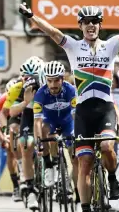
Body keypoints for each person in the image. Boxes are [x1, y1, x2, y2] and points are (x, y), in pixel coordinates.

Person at [18, 0, 119, 211]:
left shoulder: (111, 45)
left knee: (106, 146)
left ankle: (112, 177)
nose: (91, 26)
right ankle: (85, 207)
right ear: (81, 26)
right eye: (86, 22)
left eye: (95, 21)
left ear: (99, 25)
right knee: (84, 162)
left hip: (105, 109)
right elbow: (53, 32)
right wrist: (32, 16)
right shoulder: (73, 47)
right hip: (84, 112)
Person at [33, 61, 80, 208]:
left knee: (75, 157)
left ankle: (77, 191)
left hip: (67, 122)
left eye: (56, 80)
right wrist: (39, 141)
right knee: (48, 135)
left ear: (62, 78)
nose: (53, 85)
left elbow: (75, 116)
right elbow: (37, 122)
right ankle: (50, 164)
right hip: (50, 122)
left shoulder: (70, 90)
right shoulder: (40, 93)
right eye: (49, 80)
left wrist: (78, 134)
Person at [4, 57, 44, 209]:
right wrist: (26, 102)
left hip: (46, 115)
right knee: (25, 144)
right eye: (25, 77)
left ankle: (54, 169)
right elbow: (11, 112)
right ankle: (30, 186)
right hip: (28, 115)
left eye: (32, 77)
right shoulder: (18, 88)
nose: (29, 80)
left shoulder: (49, 83)